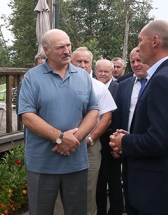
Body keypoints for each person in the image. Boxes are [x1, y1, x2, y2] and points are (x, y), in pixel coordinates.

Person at [110, 20, 168, 214]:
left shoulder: (163, 79)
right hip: (167, 184)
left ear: (155, 41)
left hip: (156, 189)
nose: (139, 47)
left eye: (140, 41)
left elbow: (160, 141)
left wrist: (124, 141)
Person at [18, 29, 99, 215]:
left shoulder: (82, 76)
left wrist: (74, 139)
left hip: (75, 162)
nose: (67, 51)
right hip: (42, 164)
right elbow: (27, 116)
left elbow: (94, 111)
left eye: (68, 45)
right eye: (60, 47)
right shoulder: (32, 77)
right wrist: (60, 138)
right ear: (46, 50)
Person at [54, 47, 116, 215]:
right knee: (58, 193)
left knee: (88, 193)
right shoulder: (58, 83)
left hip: (89, 147)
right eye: (78, 61)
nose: (82, 65)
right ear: (71, 62)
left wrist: (89, 139)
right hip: (58, 145)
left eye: (86, 62)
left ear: (91, 64)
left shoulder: (99, 87)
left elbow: (106, 117)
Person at [110, 47, 150, 215]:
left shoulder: (160, 83)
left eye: (139, 60)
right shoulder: (124, 86)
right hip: (127, 150)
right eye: (132, 61)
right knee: (130, 193)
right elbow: (118, 117)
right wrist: (115, 144)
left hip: (151, 150)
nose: (136, 64)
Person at [94, 58, 122, 215]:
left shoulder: (119, 88)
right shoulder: (90, 86)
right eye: (100, 71)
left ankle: (116, 211)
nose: (103, 74)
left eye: (107, 71)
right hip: (94, 141)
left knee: (114, 180)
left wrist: (116, 143)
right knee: (98, 182)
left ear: (113, 72)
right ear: (95, 71)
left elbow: (120, 116)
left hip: (112, 141)